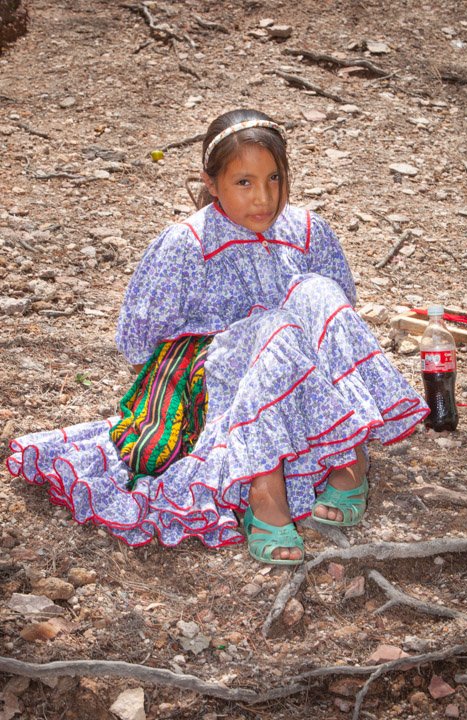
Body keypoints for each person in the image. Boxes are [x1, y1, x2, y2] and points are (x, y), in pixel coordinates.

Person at [7, 109, 429, 565]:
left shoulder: (310, 232)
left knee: (318, 292)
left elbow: (338, 318)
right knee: (275, 326)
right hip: (219, 383)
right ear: (210, 182)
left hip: (304, 380)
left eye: (273, 178)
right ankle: (265, 491)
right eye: (243, 182)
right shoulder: (186, 243)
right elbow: (138, 342)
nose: (264, 197)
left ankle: (351, 458)